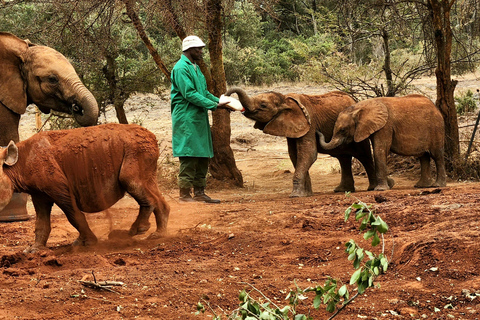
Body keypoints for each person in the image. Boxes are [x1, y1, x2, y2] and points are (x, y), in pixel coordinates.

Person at [170, 35, 227, 203]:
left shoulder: (195, 68)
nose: (201, 52)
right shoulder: (181, 68)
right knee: (189, 154)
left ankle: (200, 192)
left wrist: (221, 101)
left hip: (198, 117)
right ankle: (184, 195)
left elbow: (203, 92)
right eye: (198, 49)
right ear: (188, 50)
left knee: (202, 154)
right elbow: (189, 94)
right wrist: (214, 106)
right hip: (186, 117)